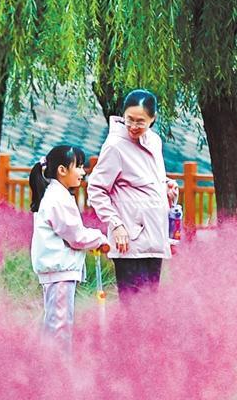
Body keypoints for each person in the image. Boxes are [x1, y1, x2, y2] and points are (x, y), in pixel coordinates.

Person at [87, 89, 179, 299]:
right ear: (123, 115)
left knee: (149, 306)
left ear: (152, 119)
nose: (134, 126)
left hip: (155, 236)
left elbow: (150, 179)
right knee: (132, 307)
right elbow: (96, 188)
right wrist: (116, 224)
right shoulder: (114, 145)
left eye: (141, 121)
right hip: (129, 238)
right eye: (130, 119)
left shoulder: (154, 141)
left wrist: (165, 187)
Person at [30, 145, 109, 344]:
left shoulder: (57, 195)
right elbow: (76, 237)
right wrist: (99, 238)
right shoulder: (58, 199)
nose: (83, 172)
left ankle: (50, 368)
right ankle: (57, 370)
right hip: (59, 270)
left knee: (55, 322)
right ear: (62, 170)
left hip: (57, 270)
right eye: (79, 166)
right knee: (60, 326)